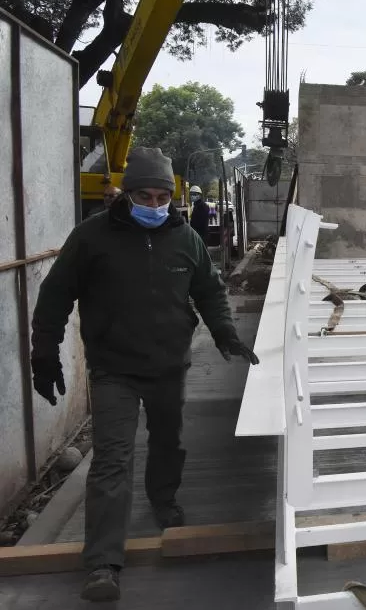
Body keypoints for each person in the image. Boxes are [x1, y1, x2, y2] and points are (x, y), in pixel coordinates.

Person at [29, 147, 259, 603]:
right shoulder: (91, 238)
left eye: (161, 197)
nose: (153, 206)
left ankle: (163, 498)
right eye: (144, 196)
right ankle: (103, 563)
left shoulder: (185, 238)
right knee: (112, 461)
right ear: (127, 194)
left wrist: (226, 334)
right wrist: (44, 354)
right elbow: (54, 298)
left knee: (168, 443)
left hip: (169, 365)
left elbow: (210, 292)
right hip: (114, 368)